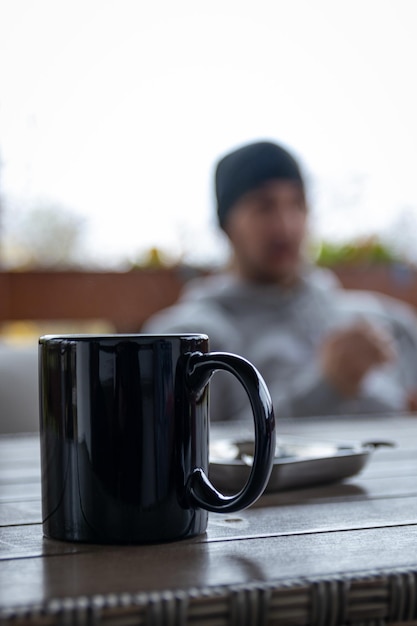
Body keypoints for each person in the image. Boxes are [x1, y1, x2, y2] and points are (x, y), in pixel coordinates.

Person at [144, 140, 417, 420]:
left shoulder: (386, 321)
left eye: (297, 204)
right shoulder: (190, 339)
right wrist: (327, 387)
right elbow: (199, 450)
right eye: (264, 207)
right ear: (226, 224)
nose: (285, 225)